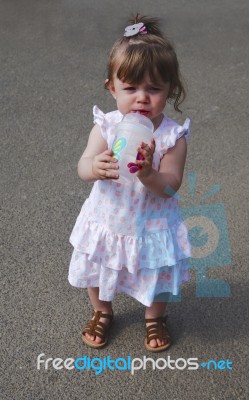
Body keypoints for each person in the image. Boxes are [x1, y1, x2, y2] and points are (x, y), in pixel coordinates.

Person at [68, 14, 191, 352]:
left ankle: (155, 317)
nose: (141, 98)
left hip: (151, 223)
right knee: (97, 266)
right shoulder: (106, 126)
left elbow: (171, 185)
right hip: (108, 219)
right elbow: (82, 166)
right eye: (130, 88)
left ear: (171, 90)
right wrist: (95, 165)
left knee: (158, 272)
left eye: (154, 89)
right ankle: (101, 311)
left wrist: (150, 174)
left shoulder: (171, 137)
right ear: (112, 87)